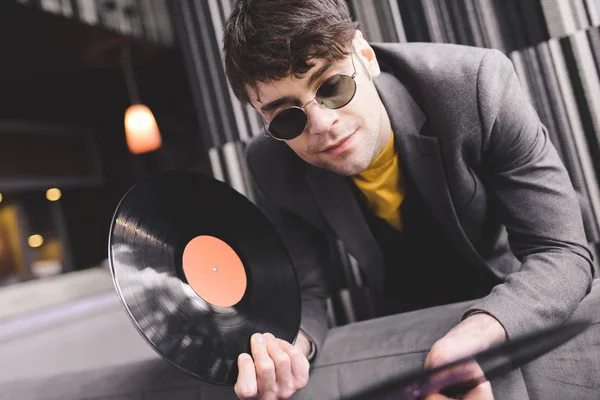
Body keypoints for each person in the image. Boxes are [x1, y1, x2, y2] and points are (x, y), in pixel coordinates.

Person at [222, 1, 600, 399]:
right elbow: (305, 293)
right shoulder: (270, 163)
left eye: (332, 87)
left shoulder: (477, 85)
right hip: (400, 315)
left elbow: (560, 251)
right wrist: (290, 346)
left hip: (514, 290)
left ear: (365, 56)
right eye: (286, 118)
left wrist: (480, 330)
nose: (322, 125)